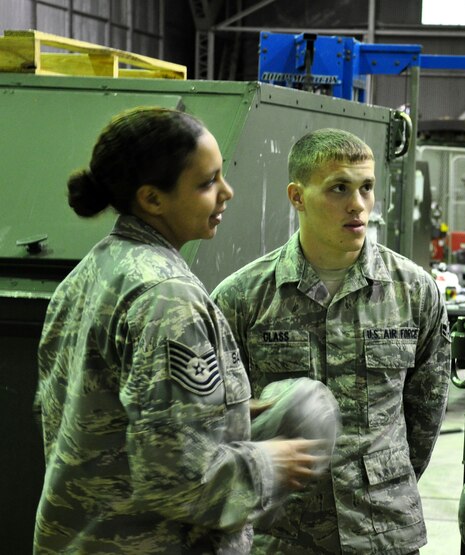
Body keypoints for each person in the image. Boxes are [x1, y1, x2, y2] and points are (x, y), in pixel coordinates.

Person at [34, 107, 324, 554]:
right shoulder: (166, 296)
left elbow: (101, 416)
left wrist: (224, 413)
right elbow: (180, 483)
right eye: (207, 183)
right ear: (152, 199)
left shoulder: (94, 272)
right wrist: (270, 463)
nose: (226, 192)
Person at [211, 128, 452, 554]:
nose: (357, 204)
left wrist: (383, 483)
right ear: (297, 196)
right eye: (338, 188)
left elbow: (425, 414)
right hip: (283, 534)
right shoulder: (243, 297)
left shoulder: (413, 292)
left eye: (366, 188)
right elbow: (218, 418)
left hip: (384, 531)